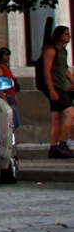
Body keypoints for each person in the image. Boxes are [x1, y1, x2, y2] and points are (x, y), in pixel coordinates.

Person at [41, 26, 74, 159]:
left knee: (56, 118)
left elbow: (64, 69)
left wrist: (73, 81)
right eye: (66, 34)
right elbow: (47, 70)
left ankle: (53, 148)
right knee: (71, 115)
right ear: (59, 35)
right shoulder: (51, 50)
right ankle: (63, 145)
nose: (69, 36)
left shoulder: (63, 51)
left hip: (61, 86)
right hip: (56, 88)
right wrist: (52, 90)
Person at [0, 46, 20, 129]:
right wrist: (4, 99)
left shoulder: (6, 68)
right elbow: (0, 85)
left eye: (8, 55)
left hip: (11, 96)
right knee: (14, 121)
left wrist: (14, 95)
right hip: (5, 96)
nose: (7, 57)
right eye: (5, 55)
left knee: (13, 122)